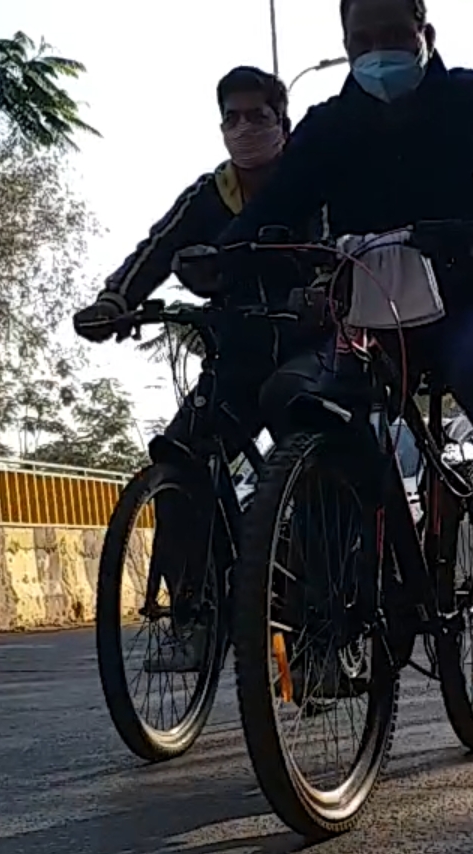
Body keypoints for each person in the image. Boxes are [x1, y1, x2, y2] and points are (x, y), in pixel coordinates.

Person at [210, 0, 473, 599]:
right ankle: (332, 566)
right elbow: (273, 209)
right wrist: (222, 255)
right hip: (368, 314)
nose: (377, 51)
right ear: (346, 45)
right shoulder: (325, 126)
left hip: (468, 299)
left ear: (426, 34)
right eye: (362, 40)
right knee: (294, 396)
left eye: (394, 34)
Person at [72, 65, 320, 672]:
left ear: (282, 123)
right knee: (181, 457)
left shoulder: (312, 182)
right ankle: (194, 614)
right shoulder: (208, 195)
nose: (243, 128)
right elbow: (154, 250)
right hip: (235, 355)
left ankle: (324, 631)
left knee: (315, 470)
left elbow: (341, 248)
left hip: (309, 353)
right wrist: (115, 300)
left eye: (257, 116)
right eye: (230, 118)